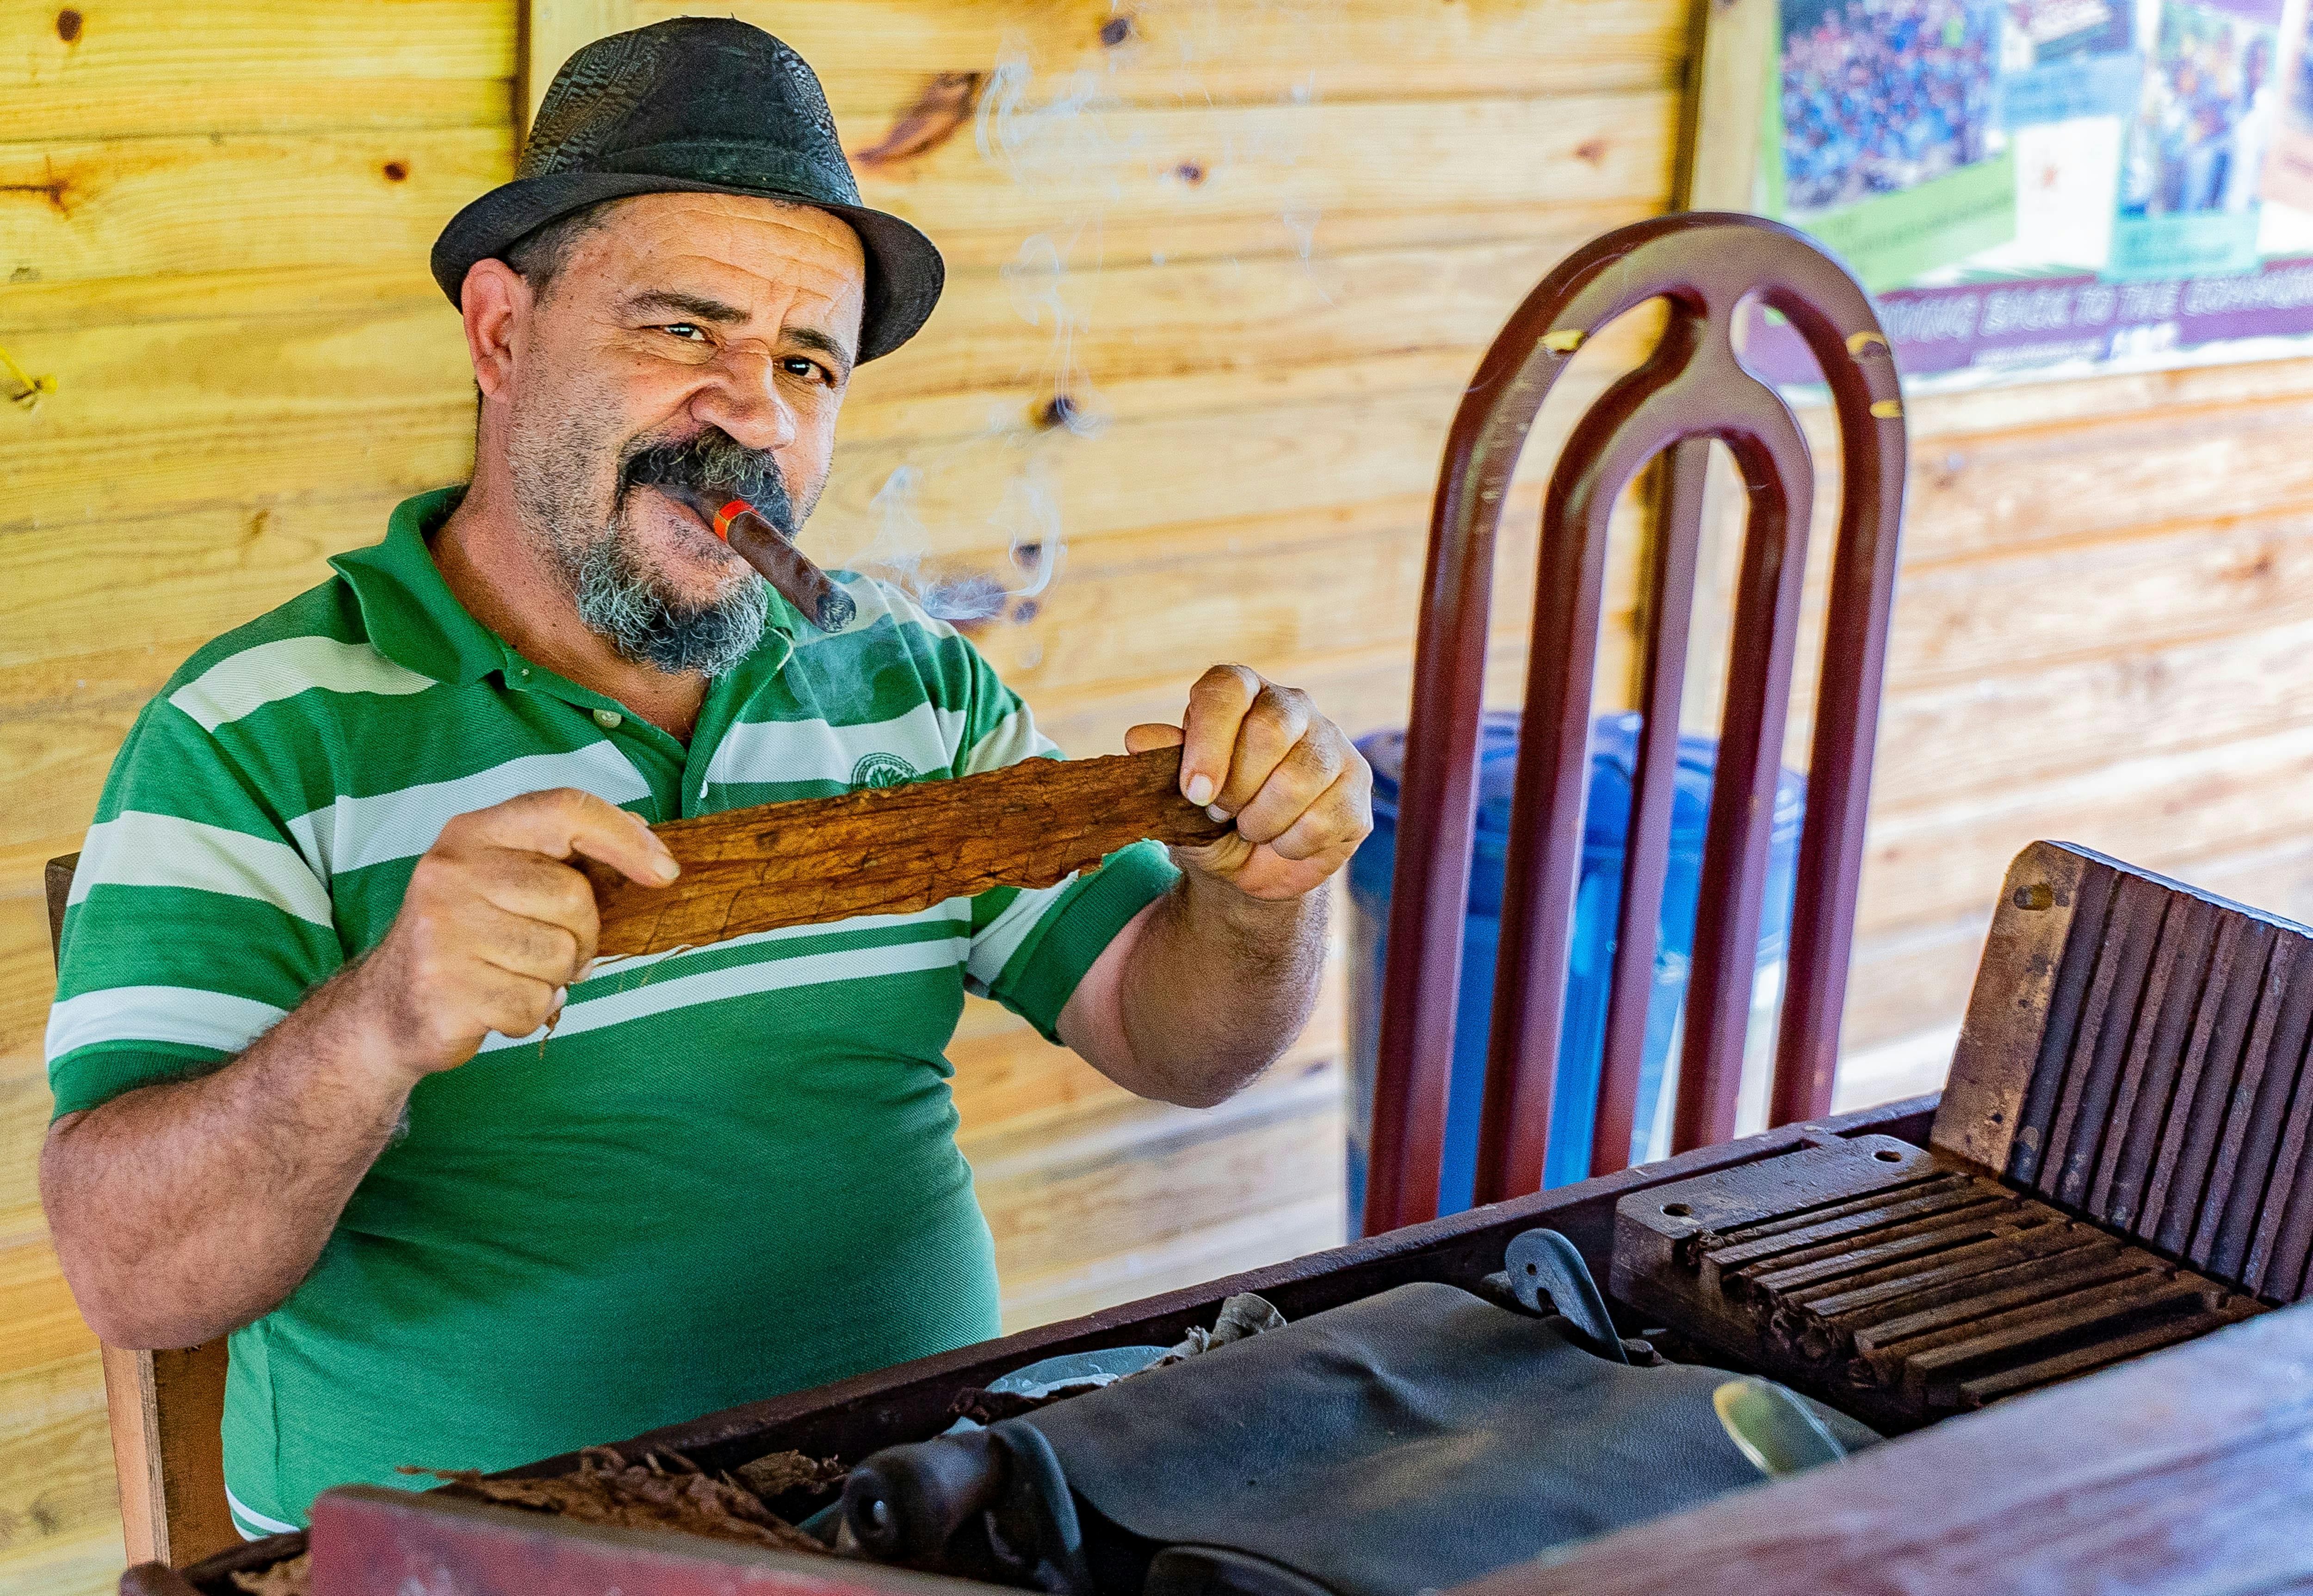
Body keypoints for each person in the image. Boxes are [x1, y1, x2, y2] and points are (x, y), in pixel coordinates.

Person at [38, 19, 1372, 1538]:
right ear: (500, 333)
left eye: (809, 363)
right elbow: (135, 1274)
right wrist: (384, 1021)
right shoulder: (257, 731)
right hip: (467, 1567)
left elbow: (1171, 1031)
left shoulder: (907, 681)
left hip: (915, 1519)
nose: (756, 416)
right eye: (686, 332)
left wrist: (1265, 896)